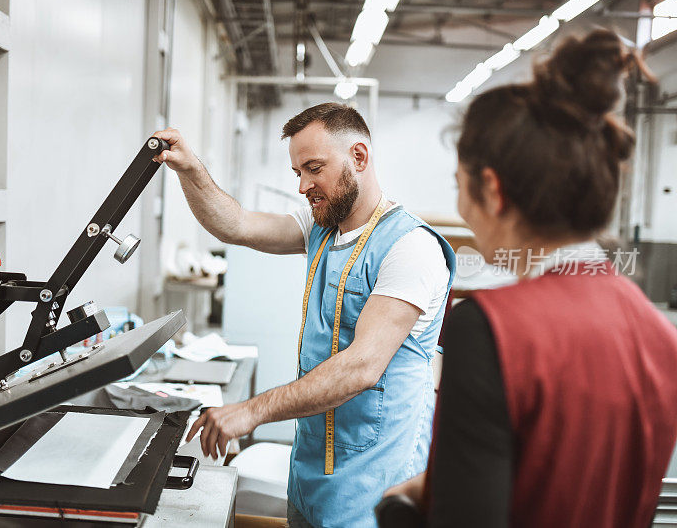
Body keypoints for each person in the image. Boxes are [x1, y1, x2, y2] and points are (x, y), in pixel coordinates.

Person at [382, 29, 677, 528]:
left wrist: (400, 506)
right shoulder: (658, 335)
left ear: (493, 191)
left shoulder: (490, 331)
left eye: (460, 187)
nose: (461, 208)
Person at [151, 103, 456, 528]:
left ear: (359, 157)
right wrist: (190, 169)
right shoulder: (321, 227)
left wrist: (252, 411)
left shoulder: (411, 248)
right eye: (298, 173)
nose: (303, 186)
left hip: (375, 489)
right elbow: (235, 224)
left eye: (314, 168)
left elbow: (363, 366)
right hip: (311, 474)